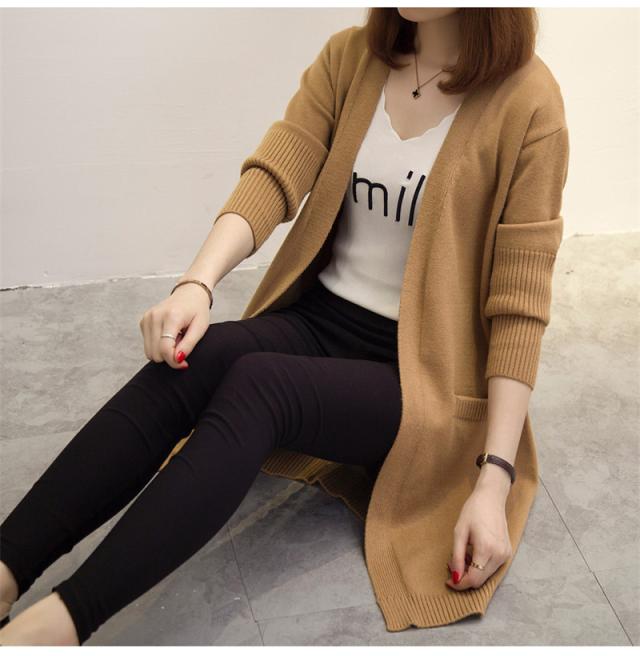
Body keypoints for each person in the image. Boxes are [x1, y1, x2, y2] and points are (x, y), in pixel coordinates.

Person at [0, 7, 569, 645]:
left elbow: (519, 304)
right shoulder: (354, 57)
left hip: (422, 376)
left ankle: (56, 628)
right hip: (321, 321)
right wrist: (196, 284)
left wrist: (493, 478)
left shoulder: (529, 102)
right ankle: (4, 568)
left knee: (261, 387)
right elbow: (276, 174)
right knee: (199, 356)